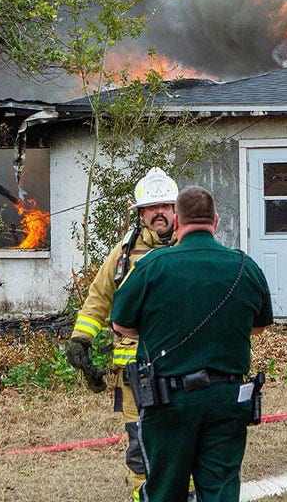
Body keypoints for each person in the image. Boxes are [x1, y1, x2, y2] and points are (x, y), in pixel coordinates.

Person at [110, 185, 273, 502]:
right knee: (222, 489)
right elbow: (259, 326)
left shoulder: (153, 266)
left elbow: (120, 323)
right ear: (216, 220)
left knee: (165, 490)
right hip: (228, 397)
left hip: (169, 400)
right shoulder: (244, 265)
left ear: (177, 221)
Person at [65, 167, 178, 501]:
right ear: (141, 213)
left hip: (181, 363)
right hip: (134, 373)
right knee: (138, 440)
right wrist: (80, 338)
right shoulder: (123, 256)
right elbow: (99, 298)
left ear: (176, 210)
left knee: (177, 437)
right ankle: (142, 495)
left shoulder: (191, 248)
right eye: (152, 207)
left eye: (166, 206)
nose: (160, 213)